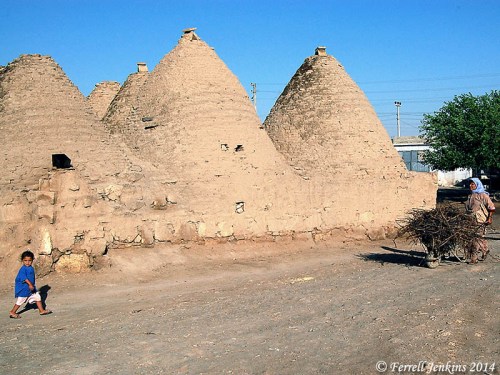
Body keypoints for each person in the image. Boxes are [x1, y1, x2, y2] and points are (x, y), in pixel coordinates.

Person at [9, 250, 52, 319]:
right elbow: (24, 278)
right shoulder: (23, 269)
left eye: (29, 260)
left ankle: (41, 310)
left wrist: (32, 286)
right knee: (21, 300)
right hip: (25, 288)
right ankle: (12, 312)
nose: (27, 262)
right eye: (25, 260)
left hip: (31, 288)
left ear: (32, 260)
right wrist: (30, 284)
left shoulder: (31, 268)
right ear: (22, 260)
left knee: (37, 297)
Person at [465, 178, 495, 263]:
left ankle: (474, 258)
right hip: (470, 220)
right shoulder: (470, 195)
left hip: (480, 220)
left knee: (476, 238)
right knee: (476, 237)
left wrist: (489, 218)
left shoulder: (483, 195)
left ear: (477, 185)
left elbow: (492, 207)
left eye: (473, 184)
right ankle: (485, 250)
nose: (471, 186)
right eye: (470, 184)